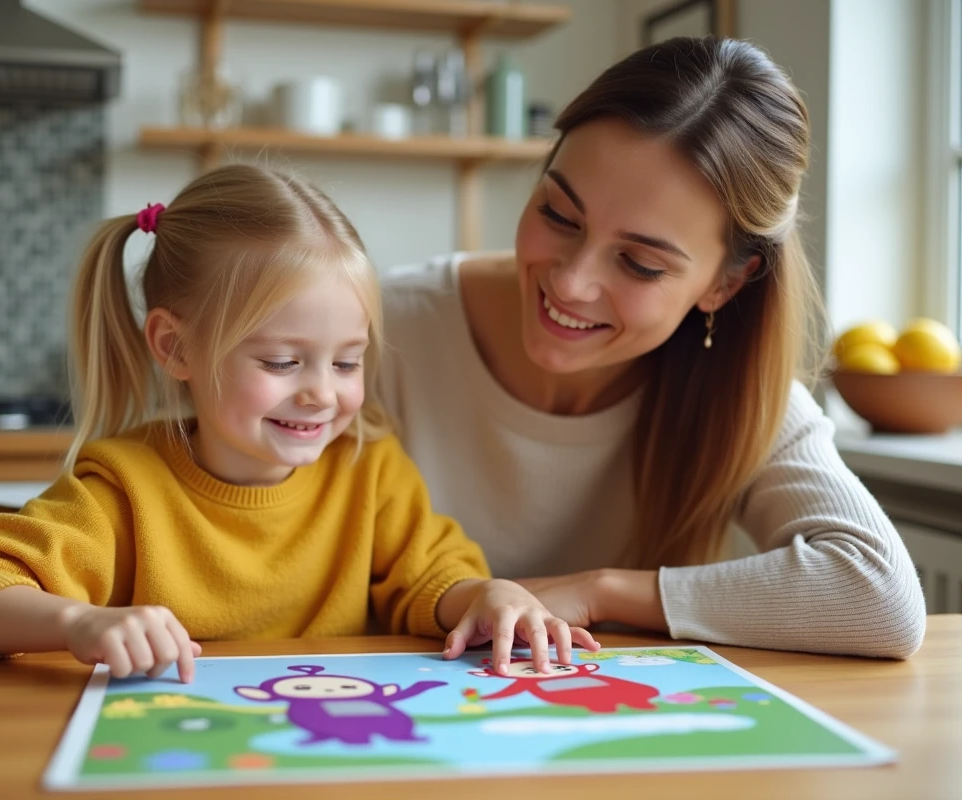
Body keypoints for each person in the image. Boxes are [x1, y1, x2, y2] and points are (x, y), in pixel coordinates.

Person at [0, 165, 597, 682]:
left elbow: (433, 580)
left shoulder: (369, 469)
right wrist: (78, 621)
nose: (323, 395)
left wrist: (488, 593)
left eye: (348, 363)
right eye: (285, 361)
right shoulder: (123, 487)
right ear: (175, 348)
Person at [378, 37, 925, 659]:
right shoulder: (379, 331)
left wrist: (597, 591)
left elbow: (880, 597)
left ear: (723, 284)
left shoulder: (741, 389)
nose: (570, 281)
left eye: (639, 264)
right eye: (559, 214)